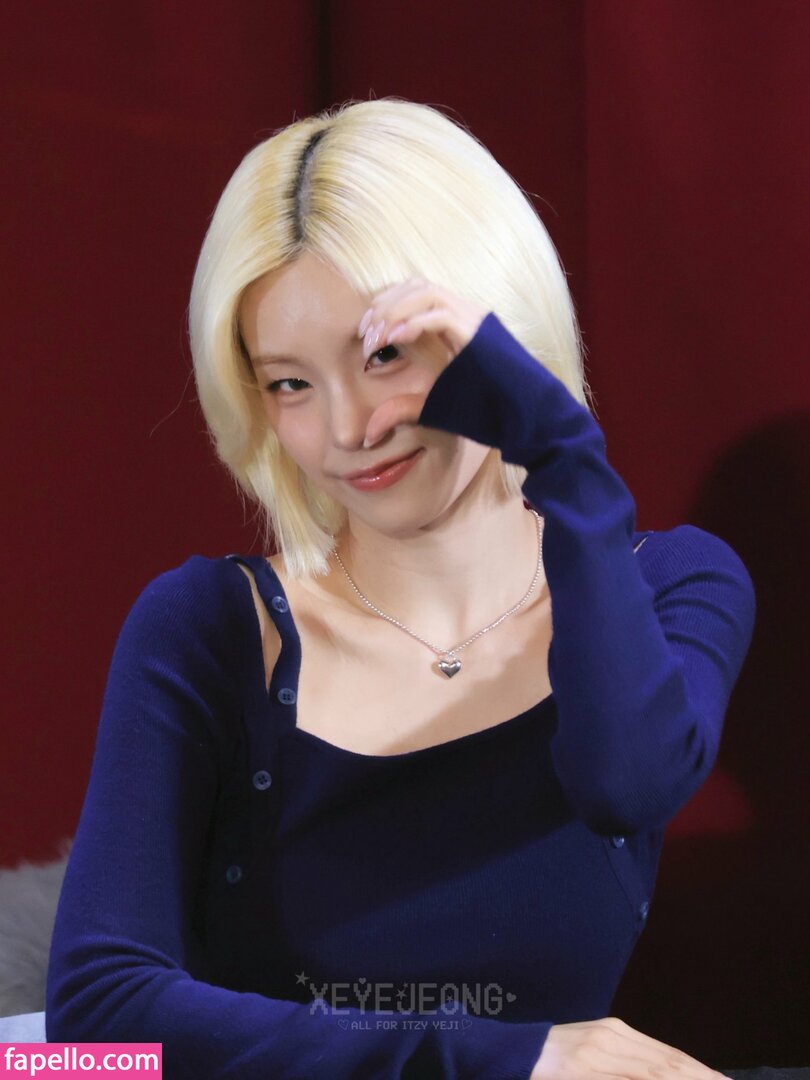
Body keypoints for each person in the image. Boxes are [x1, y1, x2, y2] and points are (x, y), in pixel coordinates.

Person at [46, 98, 756, 1079]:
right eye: (290, 383)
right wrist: (507, 1058)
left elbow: (624, 784)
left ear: (500, 334)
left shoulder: (670, 585)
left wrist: (566, 454)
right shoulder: (208, 629)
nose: (349, 428)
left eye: (385, 354)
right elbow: (98, 1013)